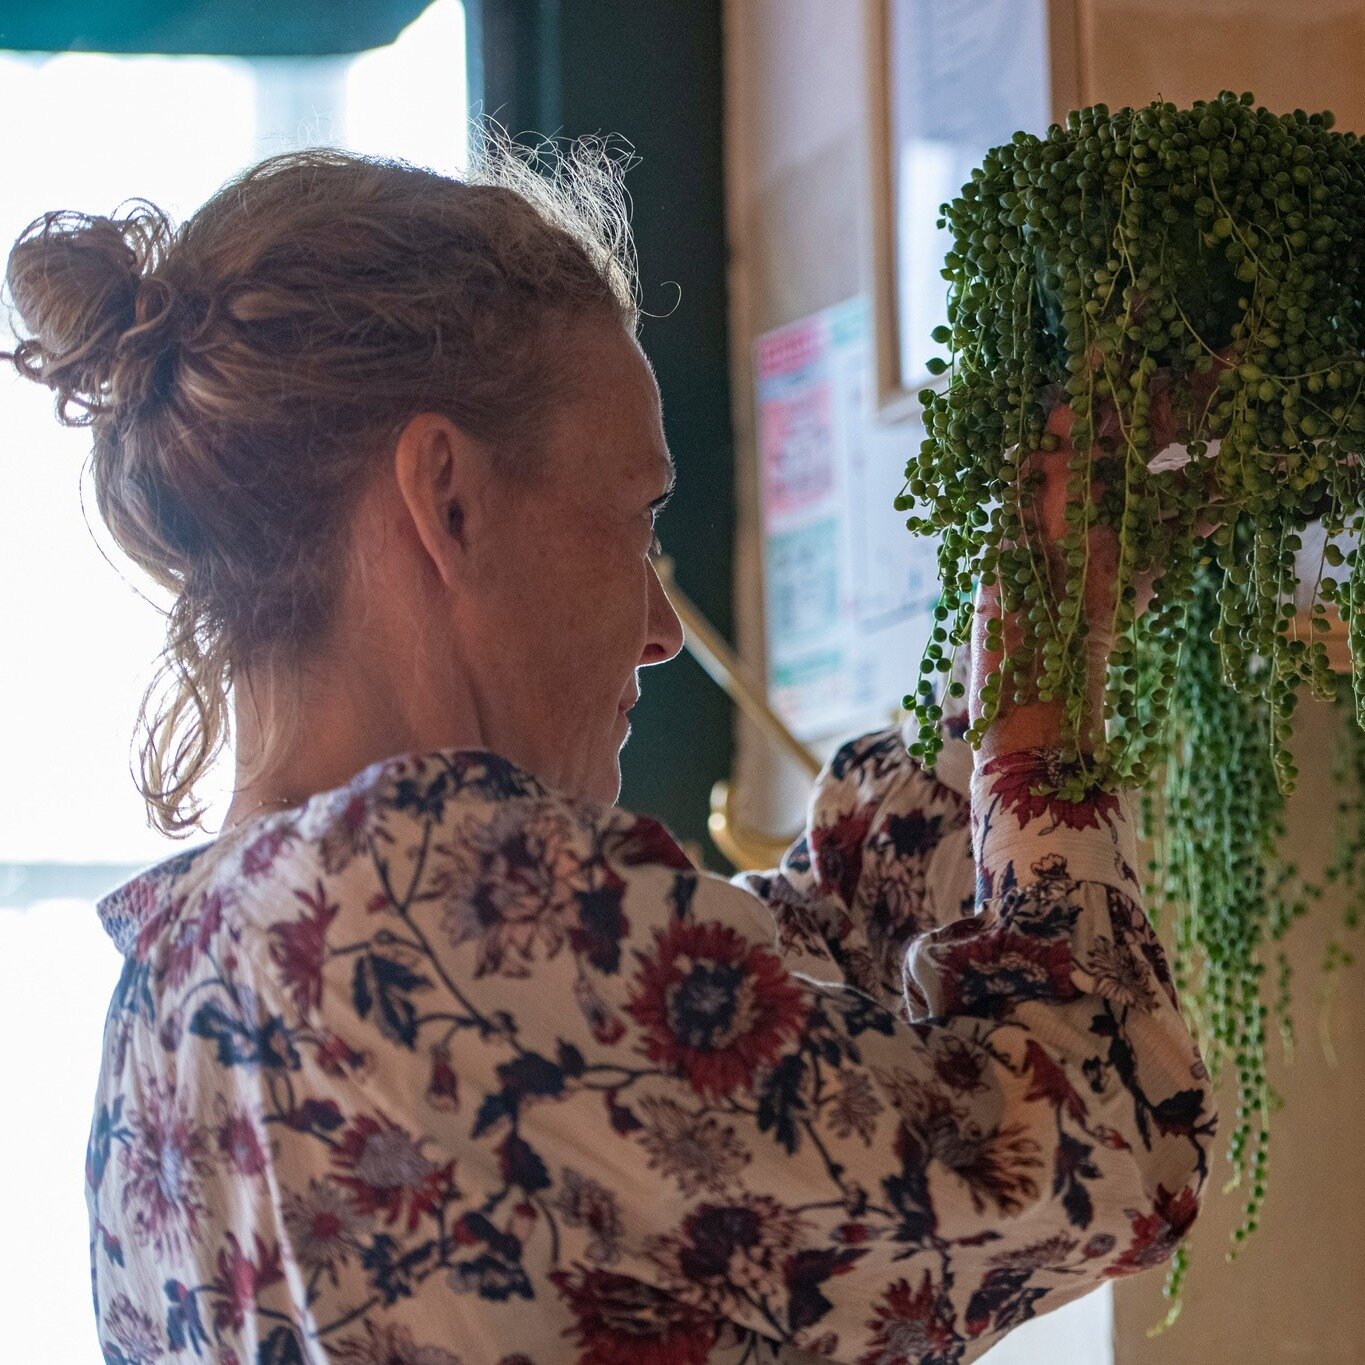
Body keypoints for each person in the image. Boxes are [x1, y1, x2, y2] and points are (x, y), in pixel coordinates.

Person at [4, 139, 1213, 1364]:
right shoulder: (432, 903)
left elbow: (794, 996)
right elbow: (1113, 1141)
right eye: (635, 521)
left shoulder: (168, 1010)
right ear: (449, 498)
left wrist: (1022, 648)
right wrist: (1043, 680)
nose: (661, 631)